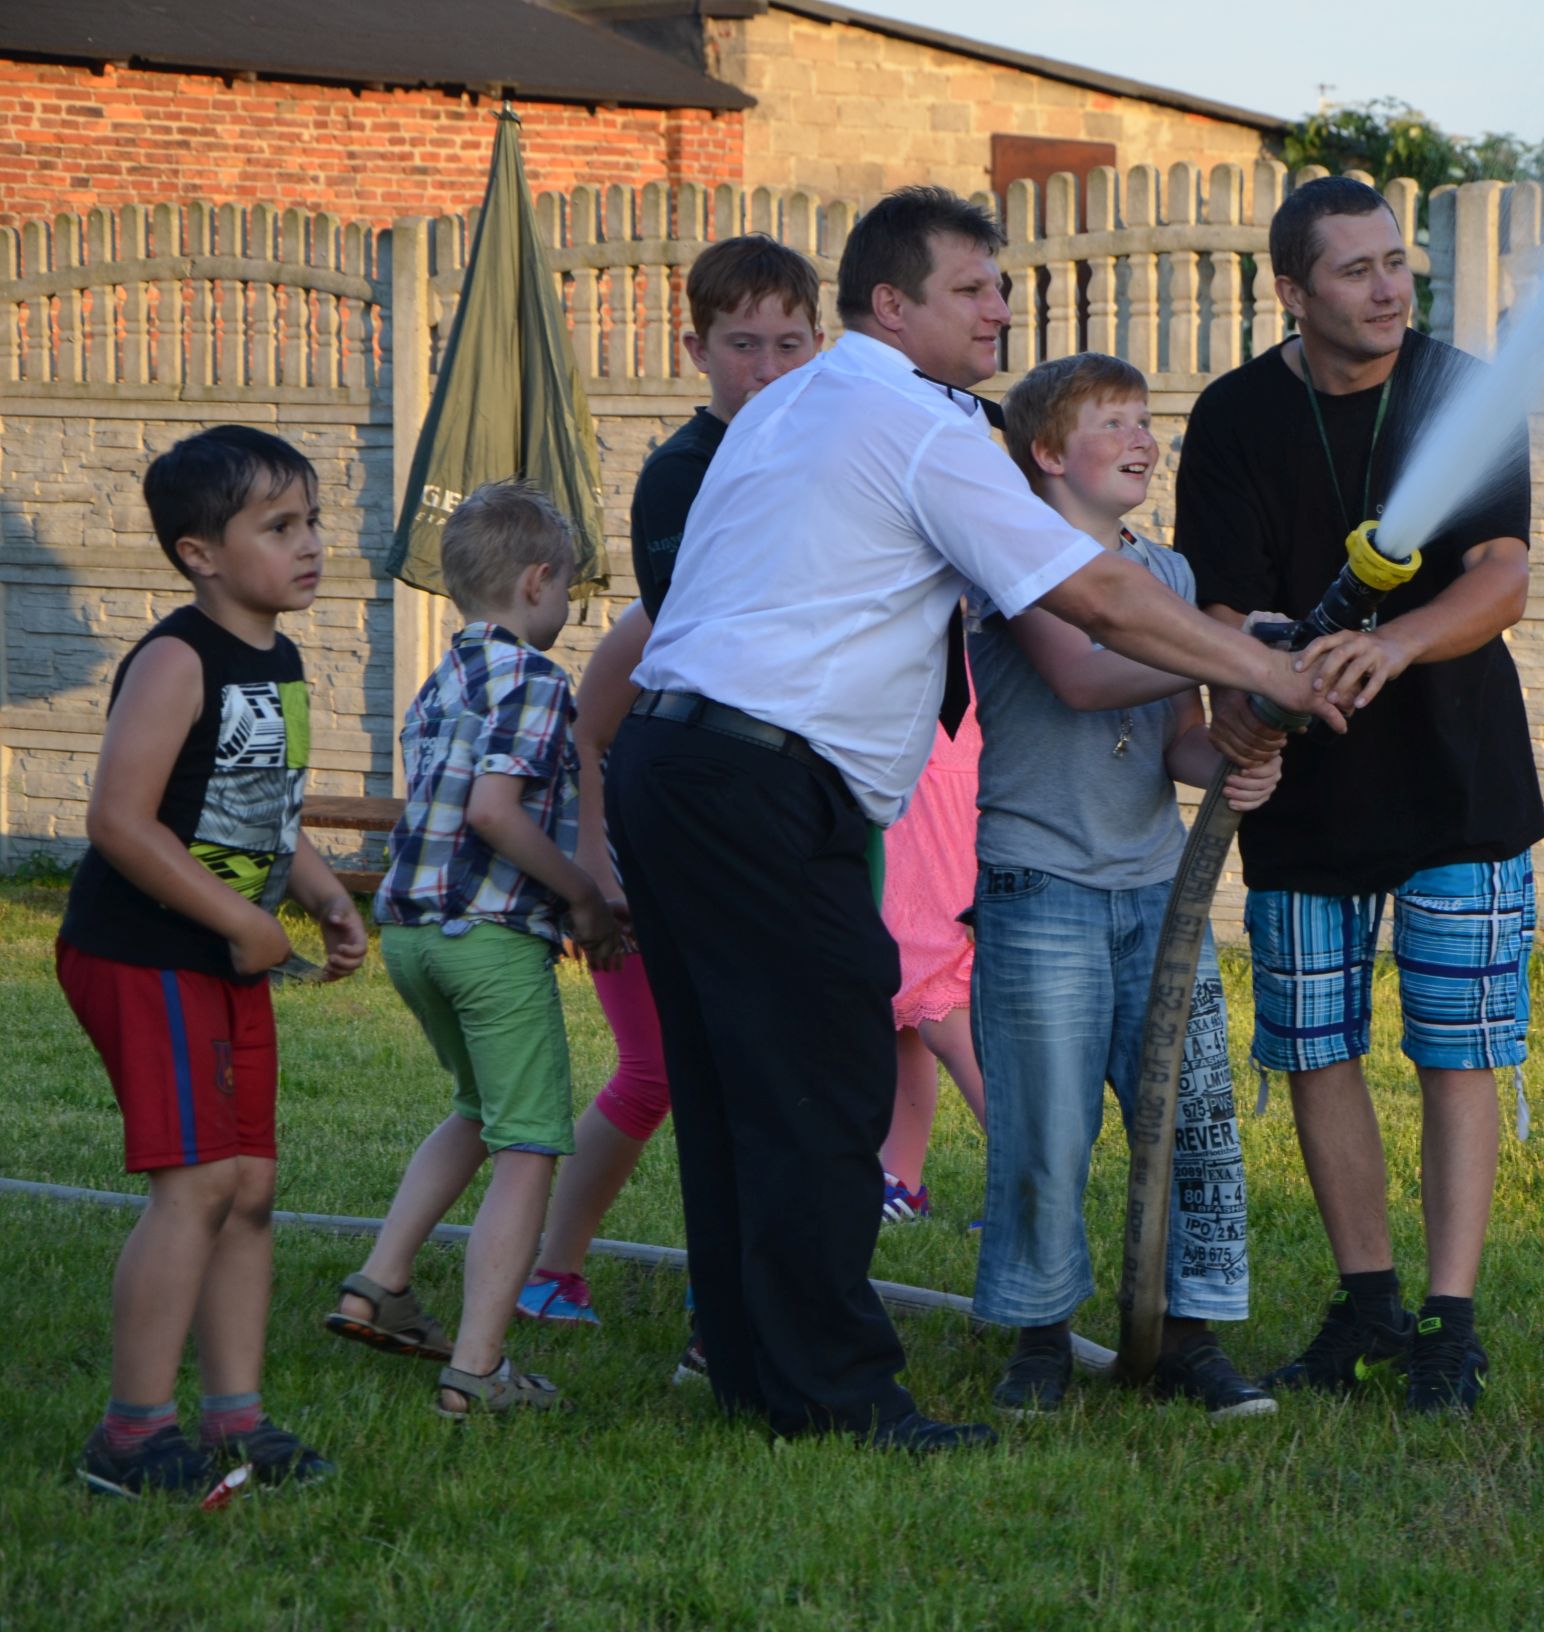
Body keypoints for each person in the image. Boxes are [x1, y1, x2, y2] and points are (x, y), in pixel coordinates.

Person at [606, 185, 1348, 1454]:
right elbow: (1094, 597)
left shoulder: (791, 402)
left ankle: (758, 1376)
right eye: (971, 289)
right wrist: (1266, 669)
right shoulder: (918, 422)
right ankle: (843, 1397)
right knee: (825, 1089)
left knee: (738, 1096)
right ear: (890, 305)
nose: (1000, 309)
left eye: (1000, 287)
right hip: (760, 781)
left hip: (675, 766)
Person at [1176, 176, 1544, 1415]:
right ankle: (1367, 1303)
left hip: (1458, 778)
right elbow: (1220, 606)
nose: (1389, 288)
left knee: (1457, 1048)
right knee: (1315, 1046)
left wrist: (1392, 645)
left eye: (1397, 262)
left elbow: (1502, 576)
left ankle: (1447, 1323)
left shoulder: (1462, 394)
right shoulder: (1234, 416)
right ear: (1292, 290)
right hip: (1300, 782)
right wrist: (1256, 691)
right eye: (1356, 269)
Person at [515, 235, 823, 1341]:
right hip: (655, 854)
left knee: (734, 1074)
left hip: (767, 834)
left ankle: (721, 1280)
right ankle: (552, 1268)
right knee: (657, 1073)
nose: (766, 367)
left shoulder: (820, 472)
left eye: (789, 344)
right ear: (695, 350)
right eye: (742, 345)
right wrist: (594, 866)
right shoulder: (679, 519)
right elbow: (590, 736)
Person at [970, 352, 1281, 1420]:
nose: (1144, 439)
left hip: (1155, 888)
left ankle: (1187, 1334)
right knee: (1047, 1128)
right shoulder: (1014, 557)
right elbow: (1082, 674)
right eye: (1114, 422)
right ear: (1049, 453)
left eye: (1147, 420)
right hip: (1040, 883)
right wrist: (1236, 654)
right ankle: (1040, 1337)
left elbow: (1177, 741)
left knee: (1192, 1118)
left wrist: (1238, 755)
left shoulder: (1172, 577)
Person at [57, 425, 365, 1496]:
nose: (309, 544)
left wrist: (319, 891)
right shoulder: (176, 660)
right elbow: (119, 820)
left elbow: (257, 803)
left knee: (251, 1188)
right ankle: (130, 1435)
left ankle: (238, 1417)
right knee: (195, 1185)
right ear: (199, 554)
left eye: (312, 520)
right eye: (278, 527)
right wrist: (240, 921)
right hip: (145, 954)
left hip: (227, 956)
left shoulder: (278, 659)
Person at [324, 482, 625, 1417]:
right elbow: (495, 814)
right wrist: (583, 897)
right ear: (537, 582)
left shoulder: (442, 677)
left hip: (413, 938)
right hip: (489, 942)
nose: (569, 606)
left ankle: (378, 1284)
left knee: (475, 1109)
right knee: (529, 1144)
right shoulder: (535, 680)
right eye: (568, 588)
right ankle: (478, 1367)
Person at [876, 703, 989, 1224]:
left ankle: (1031, 1188)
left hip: (944, 781)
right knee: (899, 1001)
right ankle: (901, 1181)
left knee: (944, 1006)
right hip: (896, 777)